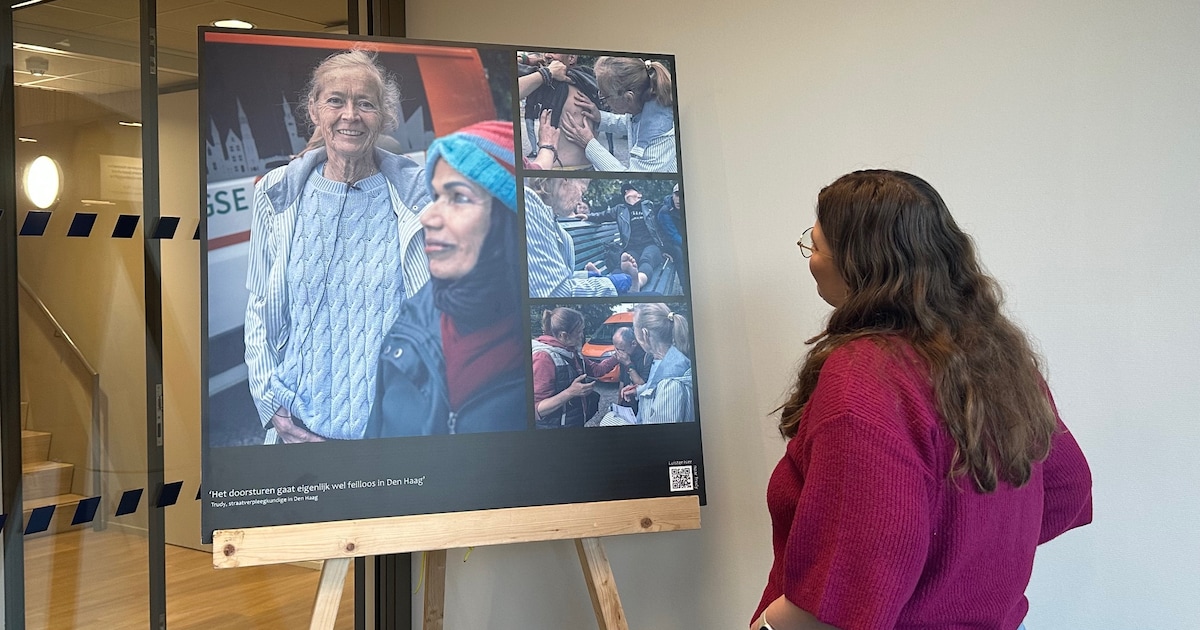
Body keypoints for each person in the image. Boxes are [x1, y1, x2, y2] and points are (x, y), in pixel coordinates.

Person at [750, 170, 1092, 630]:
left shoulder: (862, 377)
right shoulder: (996, 356)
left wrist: (767, 627)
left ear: (858, 262)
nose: (810, 259)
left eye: (814, 244)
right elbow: (1066, 487)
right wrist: (963, 563)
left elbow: (850, 586)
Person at [244, 49, 431, 444]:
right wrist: (271, 406)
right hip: (296, 432)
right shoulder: (276, 193)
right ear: (313, 110)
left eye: (365, 103)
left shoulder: (420, 198)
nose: (351, 115)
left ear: (383, 117)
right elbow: (259, 311)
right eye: (336, 101)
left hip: (389, 435)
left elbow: (437, 322)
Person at [365, 121, 528, 437]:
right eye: (437, 195)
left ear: (507, 219)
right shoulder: (413, 319)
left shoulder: (527, 352)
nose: (427, 216)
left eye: (459, 197)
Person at [524, 176, 644, 297]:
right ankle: (635, 285)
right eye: (582, 190)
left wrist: (586, 276)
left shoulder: (548, 216)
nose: (580, 198)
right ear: (564, 180)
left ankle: (634, 285)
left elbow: (553, 279)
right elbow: (555, 292)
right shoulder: (529, 202)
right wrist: (610, 283)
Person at [560, 56, 677, 172]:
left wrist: (589, 144)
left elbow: (634, 178)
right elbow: (629, 125)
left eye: (605, 95)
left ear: (628, 98)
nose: (600, 96)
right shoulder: (645, 105)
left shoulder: (658, 135)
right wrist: (600, 117)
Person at [531, 307, 620, 429]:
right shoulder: (543, 358)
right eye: (579, 332)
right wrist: (570, 392)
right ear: (563, 335)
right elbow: (536, 410)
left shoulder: (572, 352)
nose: (582, 335)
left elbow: (597, 370)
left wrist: (617, 357)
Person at [517, 52, 601, 169]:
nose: (546, 55)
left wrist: (525, 60)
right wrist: (530, 61)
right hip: (577, 167)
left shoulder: (571, 85)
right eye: (544, 51)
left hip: (560, 169)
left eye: (553, 51)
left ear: (572, 57)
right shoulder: (590, 82)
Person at [586, 182, 666, 284]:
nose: (626, 191)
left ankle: (639, 282)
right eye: (624, 191)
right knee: (623, 263)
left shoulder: (649, 206)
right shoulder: (620, 209)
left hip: (651, 245)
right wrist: (588, 217)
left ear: (639, 194)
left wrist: (666, 248)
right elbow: (603, 215)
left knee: (647, 258)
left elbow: (666, 211)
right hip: (632, 247)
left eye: (630, 189)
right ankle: (607, 284)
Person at [612, 326, 651, 410]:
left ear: (633, 343)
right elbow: (622, 382)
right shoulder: (624, 355)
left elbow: (642, 384)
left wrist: (628, 364)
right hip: (626, 404)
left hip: (641, 407)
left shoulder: (647, 356)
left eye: (621, 350)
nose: (618, 354)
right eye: (616, 349)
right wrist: (619, 404)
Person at [658, 182, 688, 289]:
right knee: (679, 252)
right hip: (667, 243)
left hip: (682, 240)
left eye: (682, 196)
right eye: (677, 195)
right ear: (672, 195)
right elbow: (672, 235)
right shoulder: (665, 211)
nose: (679, 200)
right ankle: (686, 287)